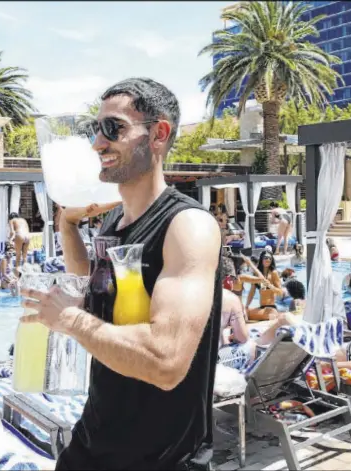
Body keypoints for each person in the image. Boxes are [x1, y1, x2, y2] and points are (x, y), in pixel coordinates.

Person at [20, 78, 221, 470]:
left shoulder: (187, 226)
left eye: (113, 129)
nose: (97, 143)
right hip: (94, 441)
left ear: (158, 134)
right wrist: (67, 226)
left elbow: (166, 362)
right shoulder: (112, 221)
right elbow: (92, 286)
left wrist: (70, 319)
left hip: (160, 458)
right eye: (97, 130)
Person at [245, 251, 284, 321]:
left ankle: (272, 316)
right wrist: (246, 306)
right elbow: (252, 292)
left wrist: (270, 286)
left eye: (270, 258)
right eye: (266, 258)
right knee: (243, 313)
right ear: (261, 259)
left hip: (271, 308)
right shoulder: (257, 274)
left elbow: (280, 292)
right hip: (262, 308)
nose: (268, 260)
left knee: (247, 315)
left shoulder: (273, 273)